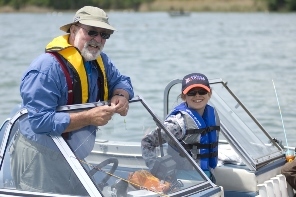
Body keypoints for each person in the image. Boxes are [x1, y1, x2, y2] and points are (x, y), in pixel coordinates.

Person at [9, 6, 134, 195]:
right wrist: (89, 118)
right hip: (39, 157)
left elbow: (122, 81)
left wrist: (121, 96)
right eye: (91, 32)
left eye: (104, 34)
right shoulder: (46, 69)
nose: (98, 39)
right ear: (74, 30)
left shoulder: (101, 61)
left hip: (74, 155)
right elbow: (40, 122)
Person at [141, 73, 220, 181]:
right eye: (192, 93)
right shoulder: (178, 123)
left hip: (207, 178)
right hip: (184, 182)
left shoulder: (212, 114)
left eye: (202, 91)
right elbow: (147, 142)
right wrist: (156, 170)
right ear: (184, 96)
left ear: (209, 93)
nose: (197, 96)